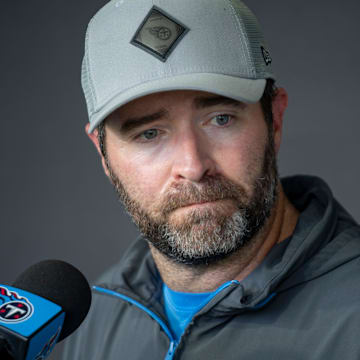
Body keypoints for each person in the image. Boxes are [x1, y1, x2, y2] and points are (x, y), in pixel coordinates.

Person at [62, 0, 360, 358]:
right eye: (149, 134)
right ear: (103, 155)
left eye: (221, 119)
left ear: (274, 120)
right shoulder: (93, 323)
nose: (193, 165)